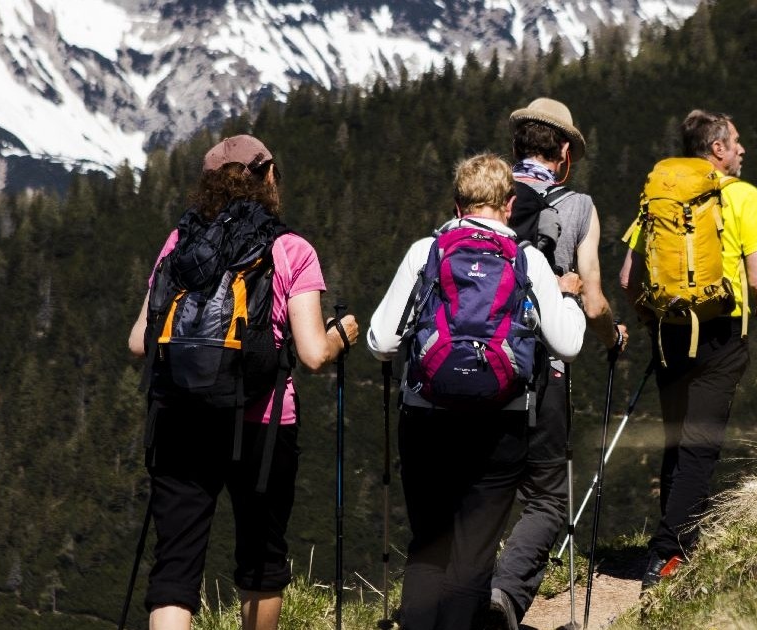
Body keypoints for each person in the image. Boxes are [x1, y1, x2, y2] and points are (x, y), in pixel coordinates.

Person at [127, 134, 359, 630]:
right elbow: (314, 354)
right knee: (261, 560)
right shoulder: (291, 249)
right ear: (268, 176)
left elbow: (139, 341)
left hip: (179, 417)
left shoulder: (179, 242)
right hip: (264, 422)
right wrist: (342, 335)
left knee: (175, 568)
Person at [366, 153, 586, 630]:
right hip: (501, 424)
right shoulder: (526, 258)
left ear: (457, 203)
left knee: (429, 545)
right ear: (509, 204)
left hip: (427, 419)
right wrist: (567, 296)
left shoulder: (426, 251)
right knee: (473, 558)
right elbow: (568, 344)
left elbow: (383, 341)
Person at [619, 110, 757, 587]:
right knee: (701, 444)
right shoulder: (745, 198)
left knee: (677, 439)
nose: (742, 150)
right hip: (721, 331)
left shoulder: (660, 198)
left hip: (671, 331)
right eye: (736, 142)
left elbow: (629, 278)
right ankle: (669, 556)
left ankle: (670, 540)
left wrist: (651, 317)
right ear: (717, 149)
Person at [486, 97, 629, 629]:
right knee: (547, 498)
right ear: (564, 152)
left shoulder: (486, 197)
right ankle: (504, 594)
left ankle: (466, 594)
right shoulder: (579, 207)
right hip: (544, 366)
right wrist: (611, 333)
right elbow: (593, 299)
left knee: (486, 486)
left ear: (518, 144)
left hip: (473, 364)